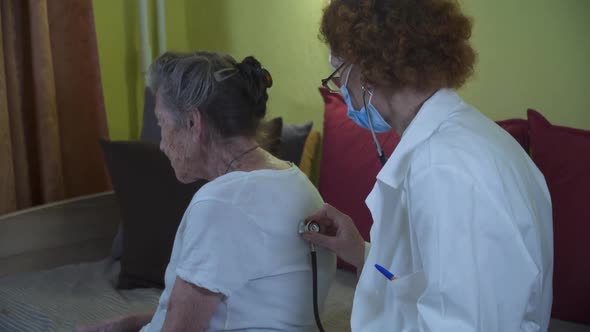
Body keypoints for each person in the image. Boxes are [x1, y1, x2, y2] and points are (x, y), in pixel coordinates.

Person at [302, 0, 553, 331]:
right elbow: (434, 279)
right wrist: (362, 252)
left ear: (367, 68)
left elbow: (462, 323)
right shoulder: (473, 137)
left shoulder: (444, 170)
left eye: (338, 76)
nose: (340, 91)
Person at [78, 51, 335, 332]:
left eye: (162, 123)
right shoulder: (295, 180)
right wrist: (127, 323)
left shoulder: (222, 203)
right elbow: (238, 307)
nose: (162, 144)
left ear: (192, 122)